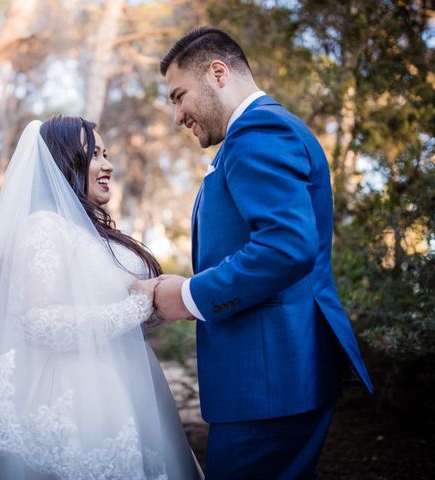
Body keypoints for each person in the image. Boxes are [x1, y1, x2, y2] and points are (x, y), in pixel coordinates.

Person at [0, 116, 203, 480]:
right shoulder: (44, 227)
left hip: (125, 385)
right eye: (94, 155)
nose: (108, 164)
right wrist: (137, 306)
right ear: (64, 161)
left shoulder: (95, 234)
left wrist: (156, 298)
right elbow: (39, 322)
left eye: (106, 154)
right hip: (69, 395)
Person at [153, 26, 374, 479]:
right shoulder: (249, 138)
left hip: (268, 382)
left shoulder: (260, 132)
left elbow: (285, 247)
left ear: (218, 73)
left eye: (179, 96)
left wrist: (189, 296)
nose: (177, 116)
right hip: (269, 379)